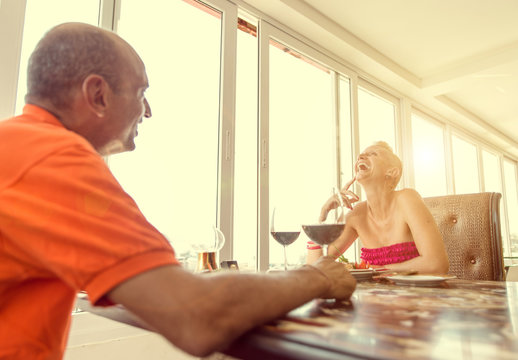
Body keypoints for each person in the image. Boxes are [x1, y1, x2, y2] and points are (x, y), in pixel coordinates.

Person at [0, 23, 356, 360]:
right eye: (142, 92)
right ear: (98, 95)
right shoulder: (52, 159)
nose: (148, 111)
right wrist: (319, 276)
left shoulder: (17, 147)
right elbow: (197, 317)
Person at [307, 141, 449, 274]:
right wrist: (322, 217)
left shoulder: (406, 198)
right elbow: (315, 269)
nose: (360, 156)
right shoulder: (355, 214)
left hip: (418, 297)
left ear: (392, 172)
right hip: (373, 298)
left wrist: (378, 270)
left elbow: (437, 264)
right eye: (362, 154)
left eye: (373, 154)